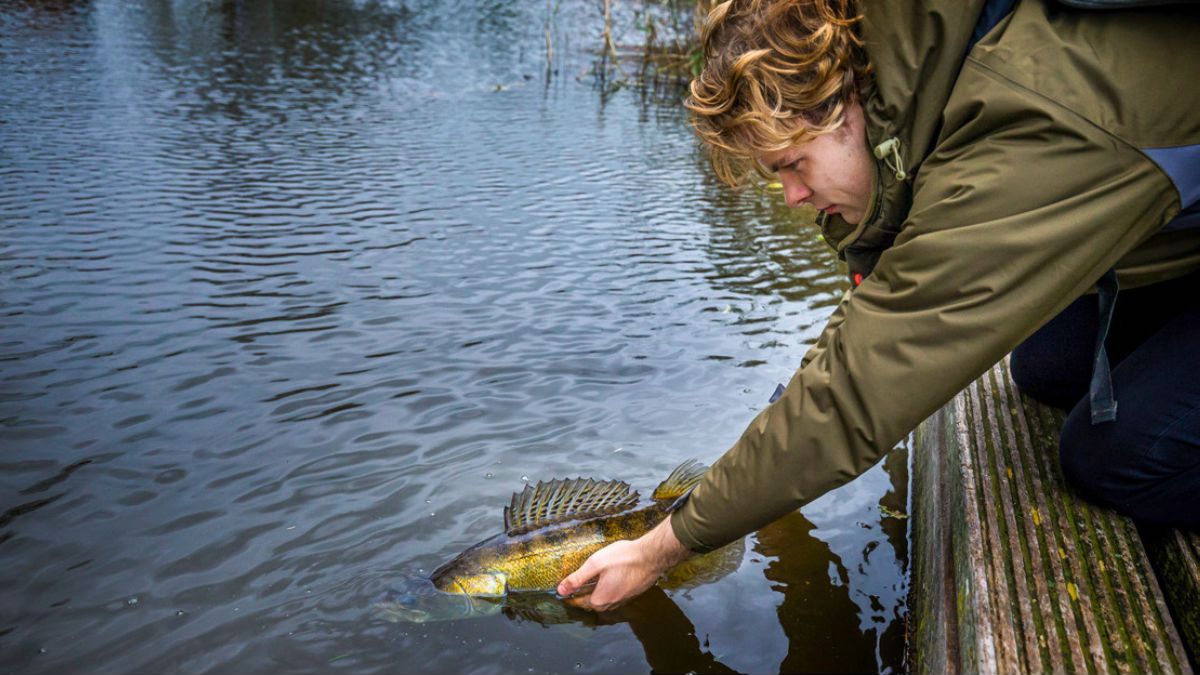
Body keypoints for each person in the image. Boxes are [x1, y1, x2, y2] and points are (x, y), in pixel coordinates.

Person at [558, 0, 1200, 611]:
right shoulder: (919, 74)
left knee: (1115, 457)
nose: (790, 196)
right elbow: (875, 312)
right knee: (1046, 365)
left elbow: (862, 389)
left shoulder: (1039, 116)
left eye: (793, 164)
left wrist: (664, 547)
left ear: (844, 102)